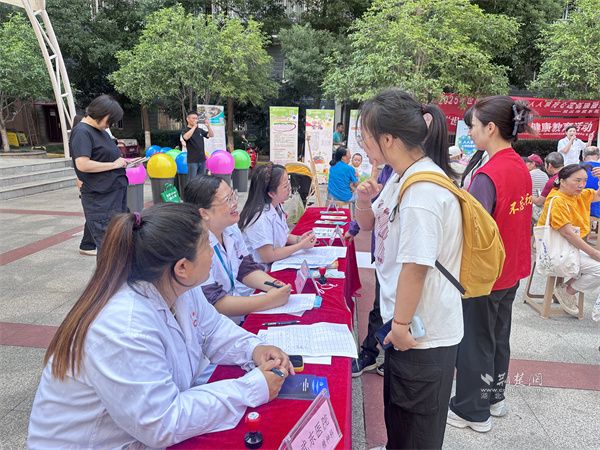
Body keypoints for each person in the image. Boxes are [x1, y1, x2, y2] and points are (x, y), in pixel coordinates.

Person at [27, 203, 293, 449]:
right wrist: (252, 388)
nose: (213, 251)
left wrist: (254, 349)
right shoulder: (125, 327)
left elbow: (214, 330)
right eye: (206, 245)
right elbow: (162, 422)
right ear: (182, 267)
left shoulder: (179, 287)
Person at [355, 88, 464, 449]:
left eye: (365, 136)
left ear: (387, 139)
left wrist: (400, 327)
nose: (362, 144)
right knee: (400, 423)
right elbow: (371, 227)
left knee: (415, 435)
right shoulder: (401, 177)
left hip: (420, 334)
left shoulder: (422, 193)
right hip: (405, 327)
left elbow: (416, 267)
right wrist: (364, 201)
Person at [448, 96, 533, 433]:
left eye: (473, 126)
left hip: (487, 275)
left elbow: (474, 231)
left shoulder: (488, 175)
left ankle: (472, 410)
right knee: (498, 336)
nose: (471, 132)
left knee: (475, 341)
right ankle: (494, 397)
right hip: (512, 268)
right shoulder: (520, 166)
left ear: (491, 128)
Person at [184, 175, 292, 323]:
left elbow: (245, 268)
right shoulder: (195, 247)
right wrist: (269, 300)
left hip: (235, 312)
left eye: (233, 195)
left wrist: (275, 285)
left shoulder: (231, 229)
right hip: (214, 323)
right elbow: (215, 301)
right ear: (204, 213)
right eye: (228, 200)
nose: (235, 203)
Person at [349, 163, 394, 378]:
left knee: (392, 309)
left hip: (398, 259)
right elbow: (372, 211)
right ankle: (371, 352)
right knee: (379, 307)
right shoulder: (387, 171)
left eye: (369, 148)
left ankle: (383, 354)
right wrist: (355, 226)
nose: (369, 157)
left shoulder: (408, 173)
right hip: (384, 255)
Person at [536, 164, 600, 316]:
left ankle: (567, 289)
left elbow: (598, 195)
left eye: (584, 181)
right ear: (562, 181)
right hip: (555, 250)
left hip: (567, 247)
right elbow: (568, 234)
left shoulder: (578, 195)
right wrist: (593, 253)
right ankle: (568, 291)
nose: (582, 185)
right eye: (577, 180)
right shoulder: (558, 200)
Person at [70, 95, 128, 252]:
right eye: (110, 120)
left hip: (114, 193)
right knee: (109, 248)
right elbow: (82, 164)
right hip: (101, 199)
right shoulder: (82, 132)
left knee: (116, 245)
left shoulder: (100, 131)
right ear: (103, 114)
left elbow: (105, 156)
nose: (110, 125)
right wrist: (114, 164)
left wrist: (123, 162)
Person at [239, 163, 316, 270]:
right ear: (271, 193)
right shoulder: (259, 218)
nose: (289, 188)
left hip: (274, 264)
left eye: (289, 182)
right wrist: (300, 246)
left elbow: (283, 235)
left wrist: (299, 239)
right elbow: (268, 256)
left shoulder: (276, 205)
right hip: (259, 271)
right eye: (285, 186)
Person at [182, 111, 214, 178]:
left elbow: (211, 135)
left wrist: (208, 126)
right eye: (193, 118)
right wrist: (194, 127)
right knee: (192, 180)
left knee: (201, 180)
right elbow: (186, 137)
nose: (195, 120)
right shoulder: (185, 130)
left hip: (202, 160)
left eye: (196, 118)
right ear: (188, 119)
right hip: (192, 161)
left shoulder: (199, 130)